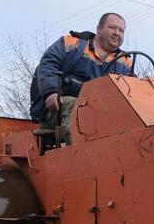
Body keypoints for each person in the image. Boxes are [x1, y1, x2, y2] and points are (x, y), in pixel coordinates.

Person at [30, 12, 134, 141]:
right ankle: (83, 156)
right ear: (99, 29)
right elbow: (48, 64)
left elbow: (131, 92)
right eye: (112, 28)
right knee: (80, 112)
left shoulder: (125, 62)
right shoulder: (72, 43)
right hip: (59, 108)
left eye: (121, 30)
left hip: (104, 112)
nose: (117, 33)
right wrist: (51, 92)